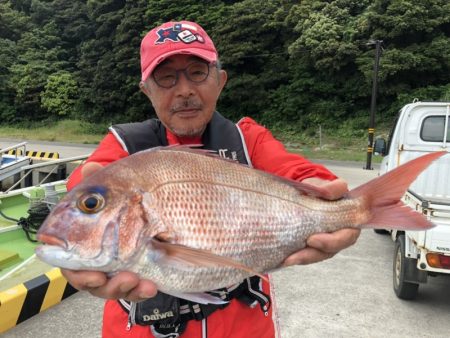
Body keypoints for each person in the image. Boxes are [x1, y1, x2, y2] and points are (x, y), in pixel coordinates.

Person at [63, 20, 360, 338]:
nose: (184, 90)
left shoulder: (248, 140)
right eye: (166, 78)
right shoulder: (126, 145)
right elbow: (85, 190)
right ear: (146, 91)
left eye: (197, 72)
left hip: (243, 326)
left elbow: (302, 173)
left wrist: (339, 208)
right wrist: (77, 234)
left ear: (220, 80)